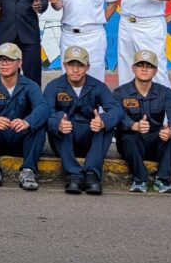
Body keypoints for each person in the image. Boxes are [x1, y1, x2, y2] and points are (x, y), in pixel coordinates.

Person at [43, 45, 123, 195]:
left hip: (89, 139)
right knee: (60, 118)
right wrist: (58, 124)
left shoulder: (97, 86)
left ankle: (92, 174)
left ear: (87, 67)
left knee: (106, 125)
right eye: (71, 65)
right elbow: (45, 113)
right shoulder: (54, 86)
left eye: (80, 65)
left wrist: (103, 121)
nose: (75, 69)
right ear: (64, 65)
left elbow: (117, 110)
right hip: (65, 139)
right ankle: (73, 175)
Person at [0, 43, 49, 191]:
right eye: (1, 60)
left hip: (20, 138)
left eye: (9, 60)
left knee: (38, 126)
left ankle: (28, 171)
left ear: (20, 62)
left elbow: (43, 107)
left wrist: (27, 122)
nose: (4, 64)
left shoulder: (30, 85)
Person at [113, 49, 171, 193]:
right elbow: (116, 116)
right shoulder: (120, 93)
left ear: (155, 71)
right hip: (133, 143)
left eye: (149, 66)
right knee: (126, 136)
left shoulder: (165, 92)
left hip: (155, 141)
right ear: (133, 68)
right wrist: (133, 125)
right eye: (140, 65)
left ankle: (162, 179)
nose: (144, 69)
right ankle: (139, 179)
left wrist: (170, 130)